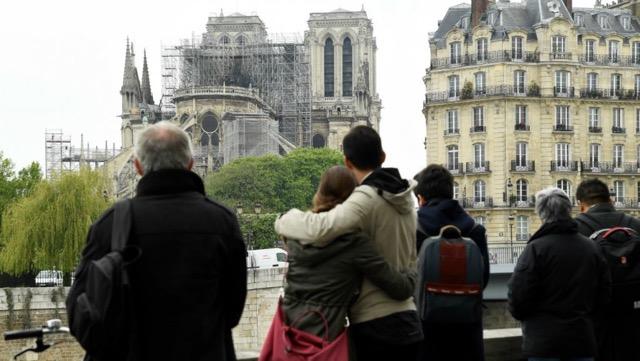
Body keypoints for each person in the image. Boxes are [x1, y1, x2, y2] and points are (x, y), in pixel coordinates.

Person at [67, 121, 247, 361]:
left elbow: (79, 311)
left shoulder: (111, 224)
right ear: (191, 164)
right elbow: (233, 312)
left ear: (138, 166)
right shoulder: (222, 222)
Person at [274, 126, 423, 360]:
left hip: (376, 326)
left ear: (347, 161)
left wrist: (284, 220)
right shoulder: (405, 199)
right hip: (410, 320)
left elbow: (321, 228)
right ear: (382, 157)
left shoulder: (365, 198)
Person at [508, 187, 610, 361]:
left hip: (544, 344)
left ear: (540, 213)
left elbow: (518, 298)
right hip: (582, 341)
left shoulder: (535, 249)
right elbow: (604, 296)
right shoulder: (591, 248)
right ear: (569, 210)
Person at [413, 164, 489, 361]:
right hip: (468, 335)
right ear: (450, 191)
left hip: (426, 334)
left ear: (421, 198)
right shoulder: (475, 230)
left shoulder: (414, 229)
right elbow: (483, 279)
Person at [575, 178, 640, 361]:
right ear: (610, 200)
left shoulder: (576, 229)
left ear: (581, 205)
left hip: (595, 317)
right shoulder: (634, 225)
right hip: (633, 313)